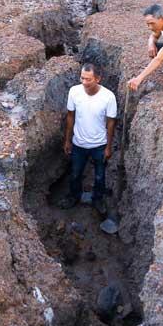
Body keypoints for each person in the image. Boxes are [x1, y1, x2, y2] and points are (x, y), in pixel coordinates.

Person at [60, 63, 117, 215]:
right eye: (82, 78)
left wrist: (108, 147)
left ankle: (97, 199)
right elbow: (70, 116)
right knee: (75, 173)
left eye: (88, 79)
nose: (84, 82)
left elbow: (111, 122)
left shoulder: (108, 97)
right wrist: (68, 140)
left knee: (99, 176)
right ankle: (74, 196)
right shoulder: (74, 91)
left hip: (99, 144)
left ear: (98, 79)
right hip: (78, 143)